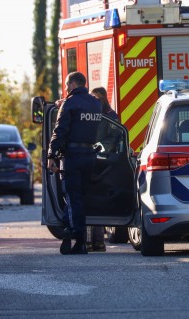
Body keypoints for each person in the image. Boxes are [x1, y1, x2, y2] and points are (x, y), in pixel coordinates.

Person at [47, 72, 102, 255]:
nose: (65, 89)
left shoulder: (70, 103)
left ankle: (78, 240)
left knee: (73, 198)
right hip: (90, 155)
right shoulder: (95, 103)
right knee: (81, 198)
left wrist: (51, 154)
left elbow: (60, 131)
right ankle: (75, 236)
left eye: (66, 85)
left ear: (72, 84)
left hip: (73, 156)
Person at [86, 87, 119, 252]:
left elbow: (112, 138)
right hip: (90, 160)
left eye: (97, 99)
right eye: (92, 98)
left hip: (103, 163)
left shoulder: (111, 116)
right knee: (88, 201)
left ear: (104, 98)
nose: (95, 102)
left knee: (96, 202)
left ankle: (97, 241)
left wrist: (97, 149)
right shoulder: (91, 114)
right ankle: (91, 241)